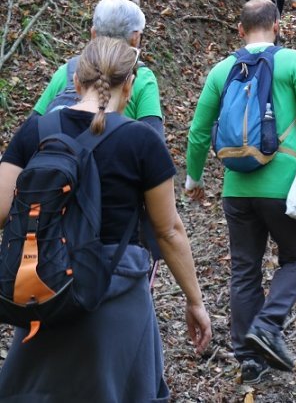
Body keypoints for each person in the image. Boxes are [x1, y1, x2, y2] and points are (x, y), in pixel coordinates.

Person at [0, 37, 211, 402]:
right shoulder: (142, 141)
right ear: (129, 85)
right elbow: (169, 230)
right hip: (118, 292)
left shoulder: (36, 132)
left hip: (47, 286)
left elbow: (3, 211)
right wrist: (195, 301)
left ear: (76, 82)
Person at [186, 0, 296, 380]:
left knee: (245, 270)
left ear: (240, 30)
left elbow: (199, 132)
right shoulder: (292, 62)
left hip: (236, 190)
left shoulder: (223, 70)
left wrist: (194, 178)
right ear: (277, 26)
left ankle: (249, 359)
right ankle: (268, 325)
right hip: (282, 185)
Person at [33, 0, 163, 134]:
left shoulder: (67, 70)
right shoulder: (143, 78)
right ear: (135, 38)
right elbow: (155, 140)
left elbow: (33, 127)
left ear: (93, 33)